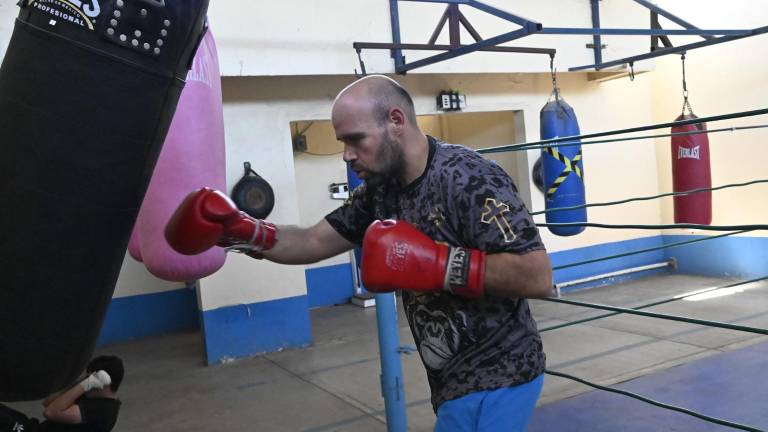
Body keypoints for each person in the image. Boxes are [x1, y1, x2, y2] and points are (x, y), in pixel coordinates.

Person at [165, 74, 553, 431]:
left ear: (396, 121)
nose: (347, 155)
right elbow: (314, 240)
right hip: (452, 379)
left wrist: (436, 263)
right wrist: (245, 232)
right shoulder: (381, 191)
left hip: (501, 372)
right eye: (343, 143)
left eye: (355, 139)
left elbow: (537, 275)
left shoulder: (469, 177)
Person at [0, 356, 123, 432]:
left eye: (91, 378)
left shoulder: (104, 410)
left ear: (106, 382)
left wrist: (85, 385)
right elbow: (48, 403)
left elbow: (50, 413)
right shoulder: (90, 393)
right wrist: (80, 383)